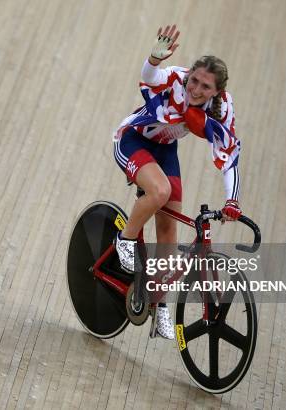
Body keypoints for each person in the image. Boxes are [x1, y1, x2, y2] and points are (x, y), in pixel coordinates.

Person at [112, 25, 242, 339]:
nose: (196, 88)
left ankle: (161, 306)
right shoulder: (174, 78)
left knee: (169, 226)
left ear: (216, 92)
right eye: (194, 80)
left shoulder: (222, 109)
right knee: (160, 190)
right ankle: (125, 240)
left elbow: (229, 152)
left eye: (205, 86)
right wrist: (154, 60)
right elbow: (150, 77)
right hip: (133, 140)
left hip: (165, 149)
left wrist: (232, 200)